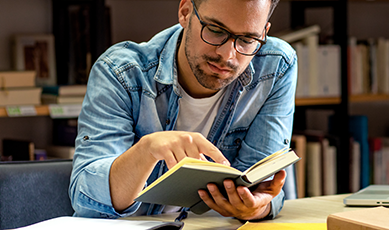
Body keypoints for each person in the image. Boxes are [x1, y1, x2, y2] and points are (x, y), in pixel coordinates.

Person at [69, 0, 297, 220]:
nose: (228, 55)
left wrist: (255, 209)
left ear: (264, 33)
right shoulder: (121, 73)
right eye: (216, 31)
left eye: (247, 39)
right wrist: (146, 151)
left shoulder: (276, 66)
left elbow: (261, 187)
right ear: (185, 12)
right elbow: (87, 201)